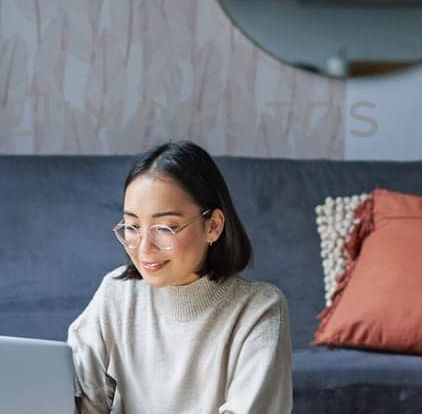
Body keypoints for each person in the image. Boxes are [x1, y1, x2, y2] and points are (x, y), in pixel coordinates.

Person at [68, 140, 293, 413]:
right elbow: (79, 400)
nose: (143, 247)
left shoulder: (259, 310)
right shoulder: (116, 293)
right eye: (132, 226)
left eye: (164, 227)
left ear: (213, 226)